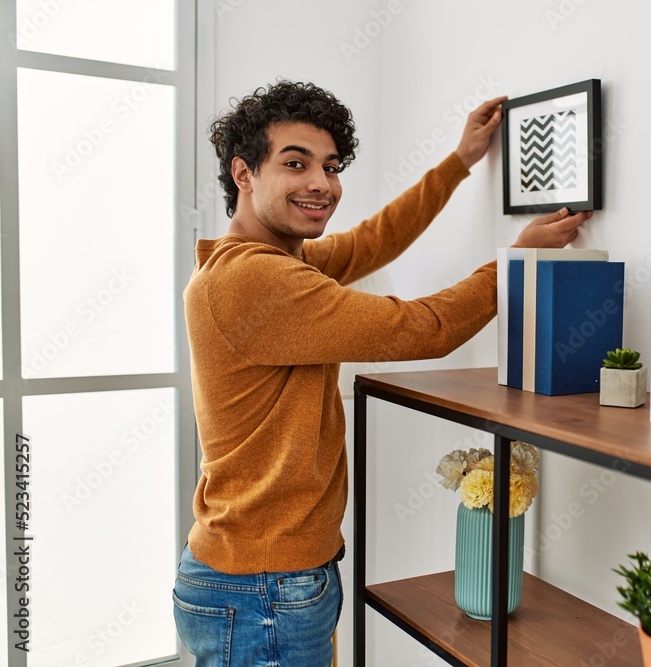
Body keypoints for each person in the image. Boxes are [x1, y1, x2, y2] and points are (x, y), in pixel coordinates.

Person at [172, 80, 589, 666]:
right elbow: (424, 328)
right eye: (296, 163)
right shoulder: (255, 281)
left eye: (331, 166)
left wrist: (460, 161)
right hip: (264, 587)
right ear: (243, 173)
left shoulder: (269, 260)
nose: (322, 183)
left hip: (261, 577)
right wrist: (516, 261)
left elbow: (373, 240)